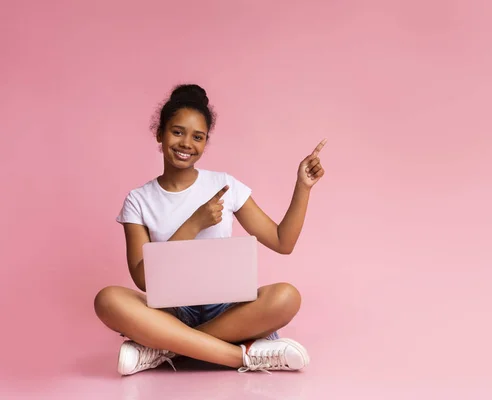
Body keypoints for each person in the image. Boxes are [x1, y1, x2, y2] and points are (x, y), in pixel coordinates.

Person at [93, 84, 327, 376]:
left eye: (198, 137)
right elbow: (142, 279)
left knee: (287, 296)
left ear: (205, 143)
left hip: (226, 310)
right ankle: (242, 356)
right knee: (108, 299)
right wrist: (194, 223)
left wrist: (303, 187)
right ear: (159, 134)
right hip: (172, 311)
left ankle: (162, 348)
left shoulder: (224, 184)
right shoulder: (138, 200)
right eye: (177, 132)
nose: (186, 143)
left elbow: (283, 242)